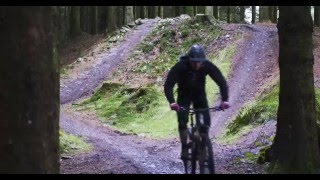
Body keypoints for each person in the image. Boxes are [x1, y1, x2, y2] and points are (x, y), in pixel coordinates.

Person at [164, 44, 230, 160]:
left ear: (202, 60)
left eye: (199, 61)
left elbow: (221, 81)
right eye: (194, 61)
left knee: (206, 121)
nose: (196, 64)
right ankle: (184, 147)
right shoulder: (181, 66)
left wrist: (225, 100)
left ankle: (203, 145)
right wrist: (172, 102)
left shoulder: (206, 65)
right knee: (182, 121)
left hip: (199, 95)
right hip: (184, 96)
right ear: (189, 59)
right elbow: (168, 84)